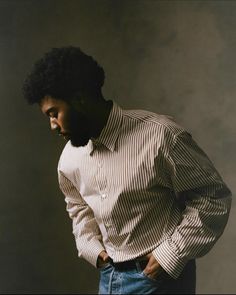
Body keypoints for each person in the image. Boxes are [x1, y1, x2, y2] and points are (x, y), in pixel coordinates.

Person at [22, 46, 232, 294]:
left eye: (54, 113)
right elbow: (78, 207)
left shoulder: (161, 136)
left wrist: (170, 254)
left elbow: (213, 196)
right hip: (108, 278)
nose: (52, 125)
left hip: (159, 279)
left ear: (79, 98)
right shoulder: (69, 159)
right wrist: (93, 249)